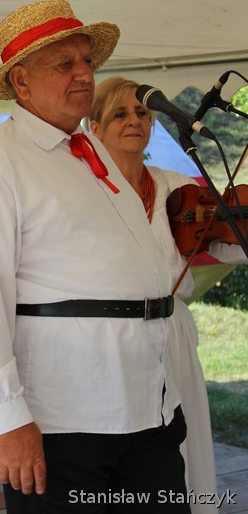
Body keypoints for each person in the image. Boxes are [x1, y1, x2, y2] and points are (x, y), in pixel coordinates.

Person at [0, 0, 190, 513]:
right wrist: (7, 418)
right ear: (21, 81)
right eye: (64, 64)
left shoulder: (91, 149)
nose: (84, 74)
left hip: (149, 406)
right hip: (65, 419)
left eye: (86, 61)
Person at [89, 75, 245, 514]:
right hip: (109, 342)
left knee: (180, 448)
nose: (134, 121)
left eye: (142, 112)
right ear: (94, 128)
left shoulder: (178, 185)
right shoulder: (85, 193)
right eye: (119, 114)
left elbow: (223, 243)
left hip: (172, 335)